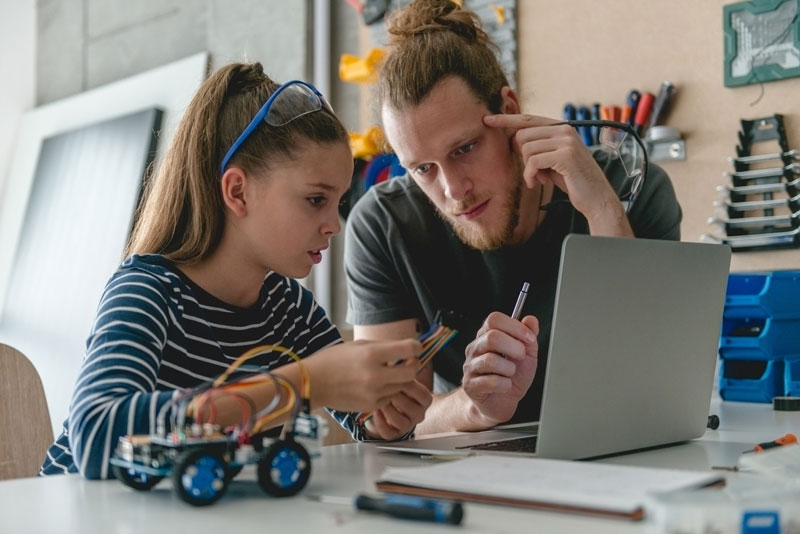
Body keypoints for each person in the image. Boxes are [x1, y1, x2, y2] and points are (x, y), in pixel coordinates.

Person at [40, 62, 431, 480]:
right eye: (316, 200)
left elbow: (364, 423)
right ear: (238, 191)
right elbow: (96, 434)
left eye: (338, 203)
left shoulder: (289, 310)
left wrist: (385, 420)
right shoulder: (148, 291)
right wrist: (301, 385)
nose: (335, 225)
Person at [344, 0, 682, 437]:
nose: (453, 191)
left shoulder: (631, 188)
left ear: (509, 110)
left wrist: (603, 211)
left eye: (464, 149)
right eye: (423, 169)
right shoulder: (383, 225)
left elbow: (651, 380)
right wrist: (475, 408)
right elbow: (387, 420)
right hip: (475, 473)